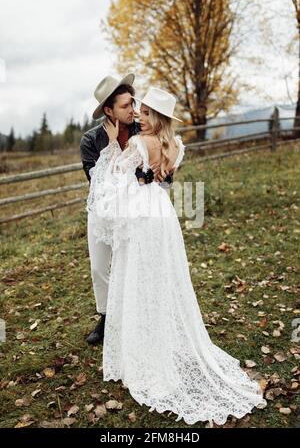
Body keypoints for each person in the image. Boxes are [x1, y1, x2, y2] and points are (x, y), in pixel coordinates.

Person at [86, 86, 267, 425]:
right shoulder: (175, 145)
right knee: (161, 277)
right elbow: (163, 181)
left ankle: (142, 353)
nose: (139, 113)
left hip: (140, 219)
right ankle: (159, 340)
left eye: (145, 111)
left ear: (155, 117)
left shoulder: (139, 143)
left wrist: (112, 145)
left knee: (138, 278)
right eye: (136, 108)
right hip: (163, 216)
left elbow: (110, 178)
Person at [80, 74, 174, 345]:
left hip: (135, 213)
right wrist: (115, 152)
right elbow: (99, 184)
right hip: (102, 210)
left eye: (133, 104)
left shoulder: (142, 131)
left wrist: (161, 174)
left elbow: (163, 174)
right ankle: (107, 316)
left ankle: (136, 316)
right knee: (100, 267)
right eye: (125, 106)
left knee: (131, 266)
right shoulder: (91, 140)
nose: (133, 110)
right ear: (108, 111)